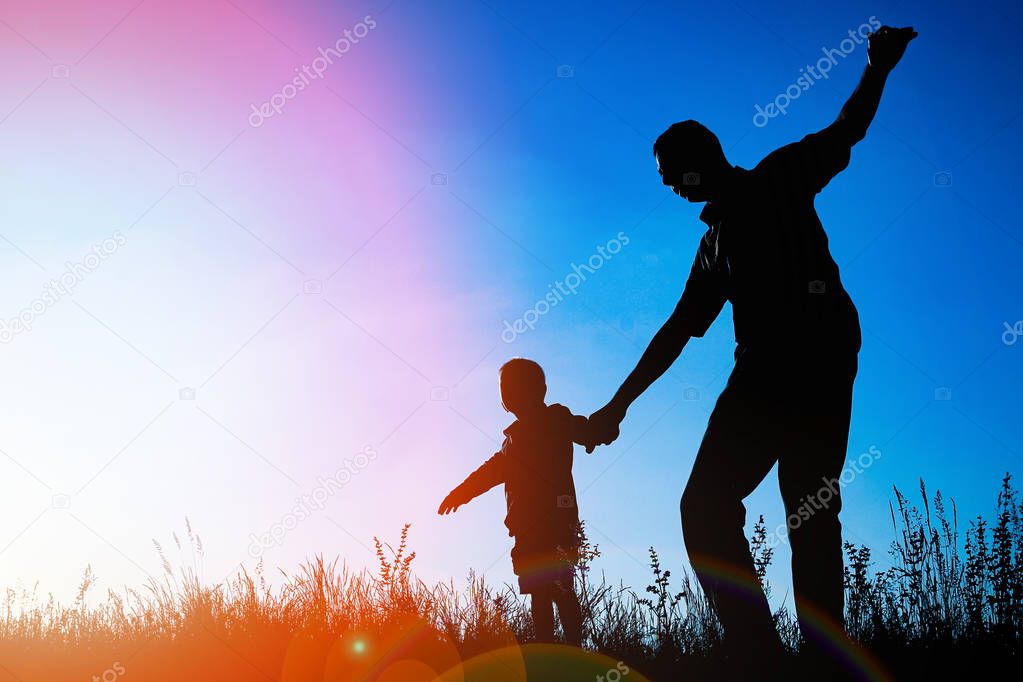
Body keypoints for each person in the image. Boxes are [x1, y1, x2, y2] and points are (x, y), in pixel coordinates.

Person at [587, 24, 917, 675]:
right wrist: (616, 406)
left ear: (696, 158)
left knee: (809, 511)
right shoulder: (710, 245)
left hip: (812, 363)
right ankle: (761, 656)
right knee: (706, 507)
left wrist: (877, 66)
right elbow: (678, 327)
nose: (667, 187)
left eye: (668, 175)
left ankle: (821, 662)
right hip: (759, 377)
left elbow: (845, 129)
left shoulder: (778, 178)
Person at [438, 358, 592, 646]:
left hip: (557, 525)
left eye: (516, 387)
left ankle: (573, 652)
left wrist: (598, 430)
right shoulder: (512, 441)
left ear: (541, 390)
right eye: (505, 388)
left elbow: (582, 429)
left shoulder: (556, 419)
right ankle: (550, 655)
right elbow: (490, 472)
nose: (509, 394)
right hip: (528, 531)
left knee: (560, 590)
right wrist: (461, 492)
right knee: (540, 595)